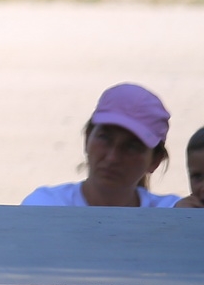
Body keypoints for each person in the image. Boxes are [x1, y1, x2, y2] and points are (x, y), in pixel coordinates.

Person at [21, 84, 183, 208]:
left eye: (132, 147)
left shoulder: (173, 213)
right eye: (104, 138)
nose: (112, 157)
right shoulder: (45, 205)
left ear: (155, 161)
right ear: (87, 138)